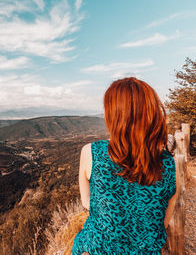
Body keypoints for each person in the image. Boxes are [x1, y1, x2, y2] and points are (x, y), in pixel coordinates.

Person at [72, 77, 178, 254]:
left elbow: (86, 202)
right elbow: (166, 213)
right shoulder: (167, 162)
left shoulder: (92, 152)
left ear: (114, 115)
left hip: (97, 249)